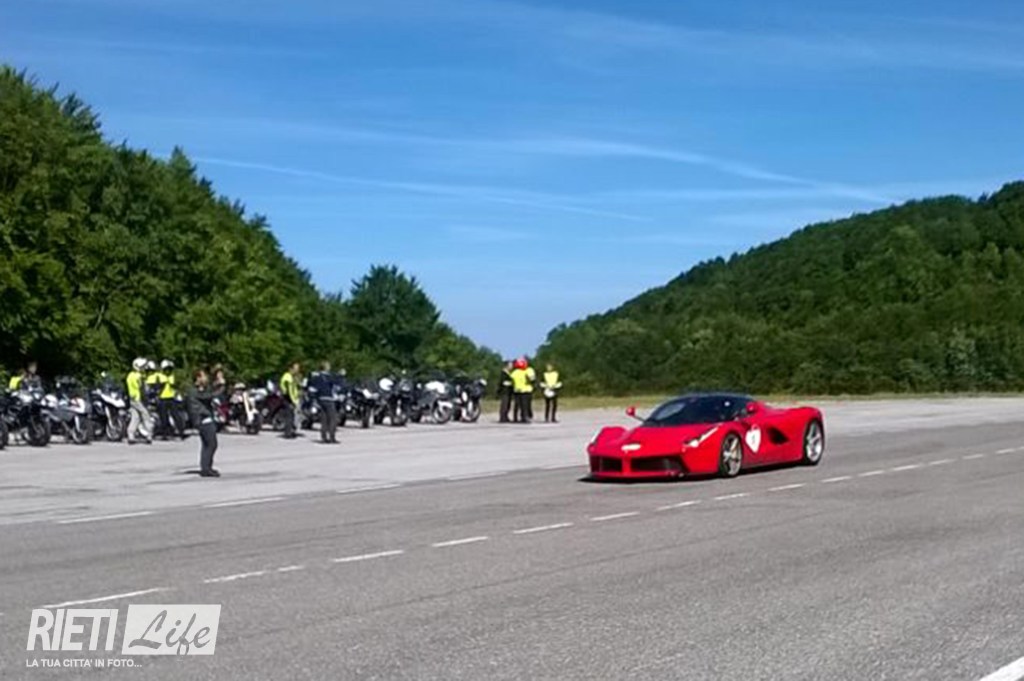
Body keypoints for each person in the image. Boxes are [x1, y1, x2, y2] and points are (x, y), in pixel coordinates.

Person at [186, 368, 219, 477]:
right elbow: (209, 396)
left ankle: (206, 467)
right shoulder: (194, 391)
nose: (206, 378)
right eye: (204, 376)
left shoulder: (200, 390)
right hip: (203, 419)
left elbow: (209, 391)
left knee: (207, 445)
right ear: (198, 378)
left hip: (204, 419)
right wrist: (222, 387)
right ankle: (206, 468)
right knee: (211, 444)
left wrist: (216, 383)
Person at [309, 360, 339, 444]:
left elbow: (312, 389)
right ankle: (332, 437)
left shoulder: (317, 377)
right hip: (329, 399)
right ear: (326, 368)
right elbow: (336, 386)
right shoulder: (329, 377)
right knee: (332, 418)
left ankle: (324, 437)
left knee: (324, 419)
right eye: (328, 366)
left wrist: (314, 399)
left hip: (320, 399)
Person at [125, 357, 153, 445]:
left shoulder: (130, 375)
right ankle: (149, 434)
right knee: (145, 415)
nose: (144, 368)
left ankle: (130, 435)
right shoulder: (139, 376)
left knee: (135, 417)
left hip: (132, 398)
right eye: (142, 366)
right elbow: (142, 388)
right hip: (138, 399)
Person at [156, 359, 185, 440]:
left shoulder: (172, 376)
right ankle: (165, 433)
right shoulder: (160, 376)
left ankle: (181, 431)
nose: (168, 371)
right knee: (164, 417)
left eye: (169, 369)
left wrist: (174, 387)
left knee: (176, 415)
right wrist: (162, 384)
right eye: (166, 369)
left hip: (171, 398)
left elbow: (175, 386)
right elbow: (157, 387)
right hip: (163, 398)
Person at [280, 362, 301, 439]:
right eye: (295, 368)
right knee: (289, 416)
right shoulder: (287, 376)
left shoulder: (292, 377)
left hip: (292, 399)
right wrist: (292, 401)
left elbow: (295, 388)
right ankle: (288, 433)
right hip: (288, 399)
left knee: (292, 416)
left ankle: (290, 431)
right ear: (290, 369)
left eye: (298, 368)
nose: (297, 370)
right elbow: (288, 390)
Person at [510, 358, 530, 423]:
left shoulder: (514, 372)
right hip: (524, 390)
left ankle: (515, 418)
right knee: (524, 405)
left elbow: (511, 380)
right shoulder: (525, 372)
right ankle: (524, 418)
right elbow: (529, 380)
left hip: (516, 390)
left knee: (516, 405)